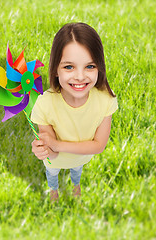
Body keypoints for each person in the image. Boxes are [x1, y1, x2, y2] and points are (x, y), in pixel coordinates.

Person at [31, 22, 118, 202]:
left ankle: (76, 187)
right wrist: (44, 148)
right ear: (55, 69)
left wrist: (57, 145)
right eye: (69, 67)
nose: (80, 76)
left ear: (100, 67)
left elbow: (99, 145)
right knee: (52, 174)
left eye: (90, 66)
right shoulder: (44, 104)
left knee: (77, 171)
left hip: (81, 159)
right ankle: (53, 191)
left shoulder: (105, 100)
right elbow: (53, 153)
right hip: (55, 162)